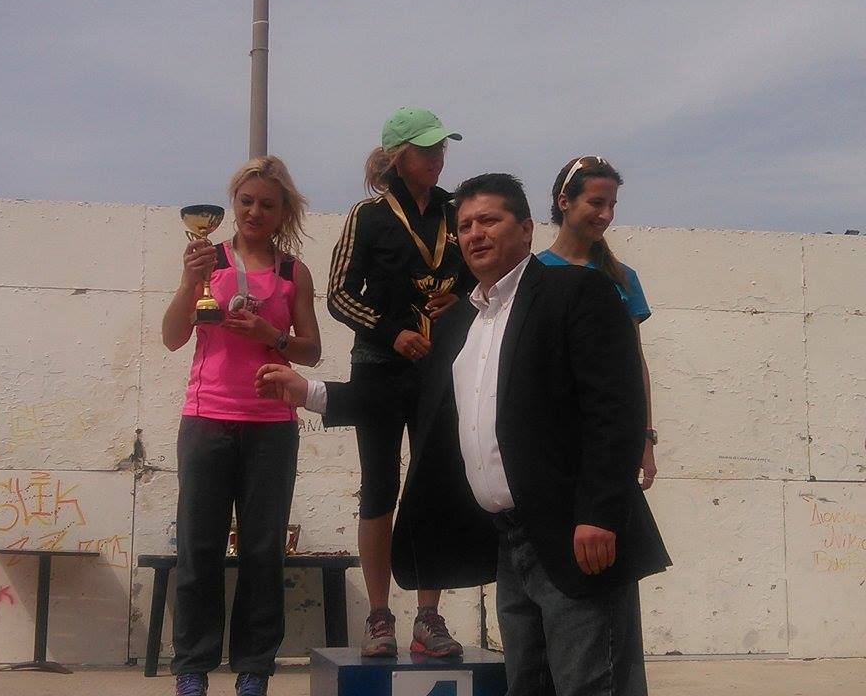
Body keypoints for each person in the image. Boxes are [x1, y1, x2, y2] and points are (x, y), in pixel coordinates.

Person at [259, 173, 670, 695]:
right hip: (510, 543)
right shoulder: (460, 324)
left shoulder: (577, 292)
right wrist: (312, 392)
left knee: (591, 686)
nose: (476, 234)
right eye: (466, 225)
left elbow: (616, 408)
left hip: (578, 536)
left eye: (489, 220)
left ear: (526, 229)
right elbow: (407, 402)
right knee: (528, 686)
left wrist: (600, 514)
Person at [162, 156, 321, 696]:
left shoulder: (293, 272)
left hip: (271, 425)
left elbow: (312, 351)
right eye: (246, 201)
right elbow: (172, 337)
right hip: (206, 418)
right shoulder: (208, 260)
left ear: (284, 212)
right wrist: (189, 282)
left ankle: (254, 669)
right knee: (199, 548)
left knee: (262, 550)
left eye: (267, 205)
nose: (255, 212)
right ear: (232, 203)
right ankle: (192, 669)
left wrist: (269, 335)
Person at [325, 106, 472, 658]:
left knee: (435, 486)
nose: (437, 158)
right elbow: (339, 294)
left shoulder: (458, 212)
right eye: (426, 148)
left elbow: (482, 279)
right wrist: (392, 333)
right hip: (380, 367)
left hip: (442, 366)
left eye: (441, 148)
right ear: (397, 156)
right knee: (379, 487)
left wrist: (459, 299)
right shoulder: (367, 216)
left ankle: (428, 617)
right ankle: (380, 616)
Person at [537, 156, 658, 490]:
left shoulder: (623, 278)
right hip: (547, 437)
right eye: (596, 203)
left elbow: (634, 362)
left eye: (612, 205)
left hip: (609, 436)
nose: (606, 214)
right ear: (564, 201)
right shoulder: (533, 275)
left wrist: (645, 437)